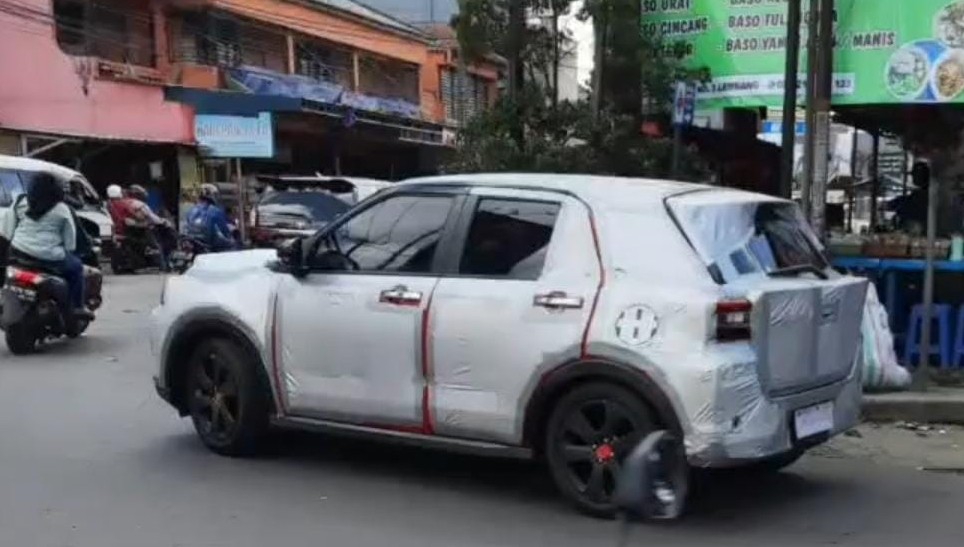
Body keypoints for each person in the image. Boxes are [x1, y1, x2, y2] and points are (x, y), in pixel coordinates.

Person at [0, 172, 87, 316]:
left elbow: (7, 230)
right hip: (49, 258)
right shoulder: (63, 209)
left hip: (18, 253)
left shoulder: (20, 202)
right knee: (77, 268)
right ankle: (76, 307)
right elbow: (70, 244)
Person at [185, 184, 236, 252]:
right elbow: (224, 231)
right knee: (232, 245)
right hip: (209, 243)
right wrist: (231, 239)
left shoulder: (191, 210)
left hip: (193, 243)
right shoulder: (215, 210)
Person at [890, 162, 931, 234]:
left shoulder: (923, 195)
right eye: (914, 175)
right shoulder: (919, 193)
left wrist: (893, 205)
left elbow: (907, 205)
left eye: (917, 175)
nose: (914, 178)